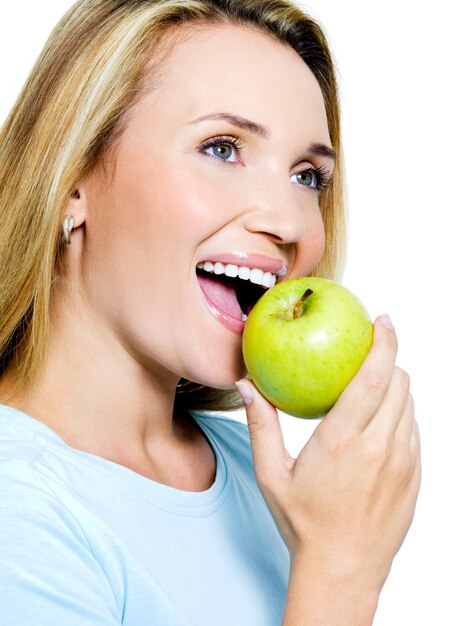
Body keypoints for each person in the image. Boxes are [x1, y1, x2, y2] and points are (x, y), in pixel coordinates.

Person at [0, 0, 421, 624]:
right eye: (222, 149)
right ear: (73, 180)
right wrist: (340, 577)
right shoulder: (19, 514)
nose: (286, 223)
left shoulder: (268, 473)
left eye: (307, 176)